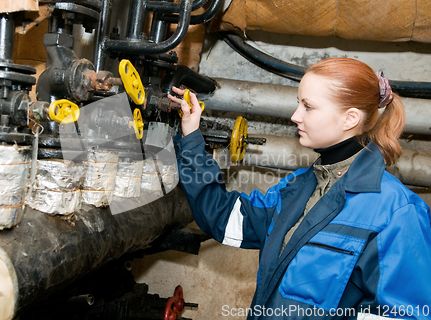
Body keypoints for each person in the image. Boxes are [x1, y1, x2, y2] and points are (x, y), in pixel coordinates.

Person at [169, 57, 431, 320]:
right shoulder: (298, 188)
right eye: (298, 103)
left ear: (349, 118)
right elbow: (224, 217)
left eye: (308, 107)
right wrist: (191, 137)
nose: (295, 116)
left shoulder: (397, 212)